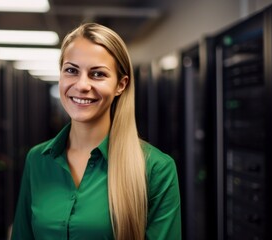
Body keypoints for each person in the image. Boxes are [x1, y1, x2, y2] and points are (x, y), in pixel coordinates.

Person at [11, 23, 181, 240]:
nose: (82, 85)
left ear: (121, 84)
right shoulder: (37, 160)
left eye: (98, 74)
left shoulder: (155, 168)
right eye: (71, 70)